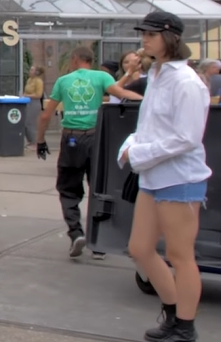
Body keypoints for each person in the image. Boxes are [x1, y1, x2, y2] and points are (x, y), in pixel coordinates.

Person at [119, 11, 210, 342]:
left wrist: (138, 153)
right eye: (144, 32)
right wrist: (130, 147)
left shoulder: (186, 82)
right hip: (153, 175)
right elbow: (149, 127)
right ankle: (173, 315)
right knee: (140, 248)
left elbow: (186, 137)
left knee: (180, 254)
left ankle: (185, 326)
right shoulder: (156, 75)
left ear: (170, 37)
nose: (144, 38)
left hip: (180, 177)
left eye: (151, 33)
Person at [35, 46, 142, 258]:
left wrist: (40, 140)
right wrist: (146, 100)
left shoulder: (64, 81)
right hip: (96, 138)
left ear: (74, 59)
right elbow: (121, 94)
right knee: (98, 187)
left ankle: (76, 233)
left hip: (72, 138)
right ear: (90, 61)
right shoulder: (101, 77)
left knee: (68, 189)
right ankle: (99, 242)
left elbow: (46, 116)